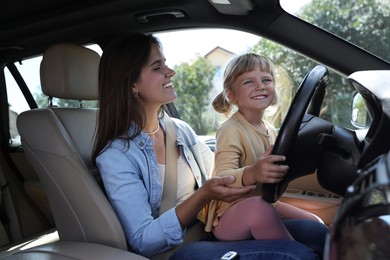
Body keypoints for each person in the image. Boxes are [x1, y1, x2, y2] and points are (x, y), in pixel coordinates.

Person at [92, 33, 326, 259]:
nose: (170, 71)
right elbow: (144, 240)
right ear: (132, 84)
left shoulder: (178, 129)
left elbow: (219, 173)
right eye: (157, 67)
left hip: (210, 230)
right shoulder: (116, 156)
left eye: (165, 64)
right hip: (177, 250)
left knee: (319, 233)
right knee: (296, 255)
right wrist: (203, 195)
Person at [205, 53, 325, 244]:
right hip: (228, 215)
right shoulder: (230, 129)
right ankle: (296, 255)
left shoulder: (270, 129)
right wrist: (253, 173)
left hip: (263, 203)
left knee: (315, 223)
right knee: (259, 209)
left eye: (266, 80)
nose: (260, 86)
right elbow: (222, 180)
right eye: (249, 82)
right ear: (231, 95)